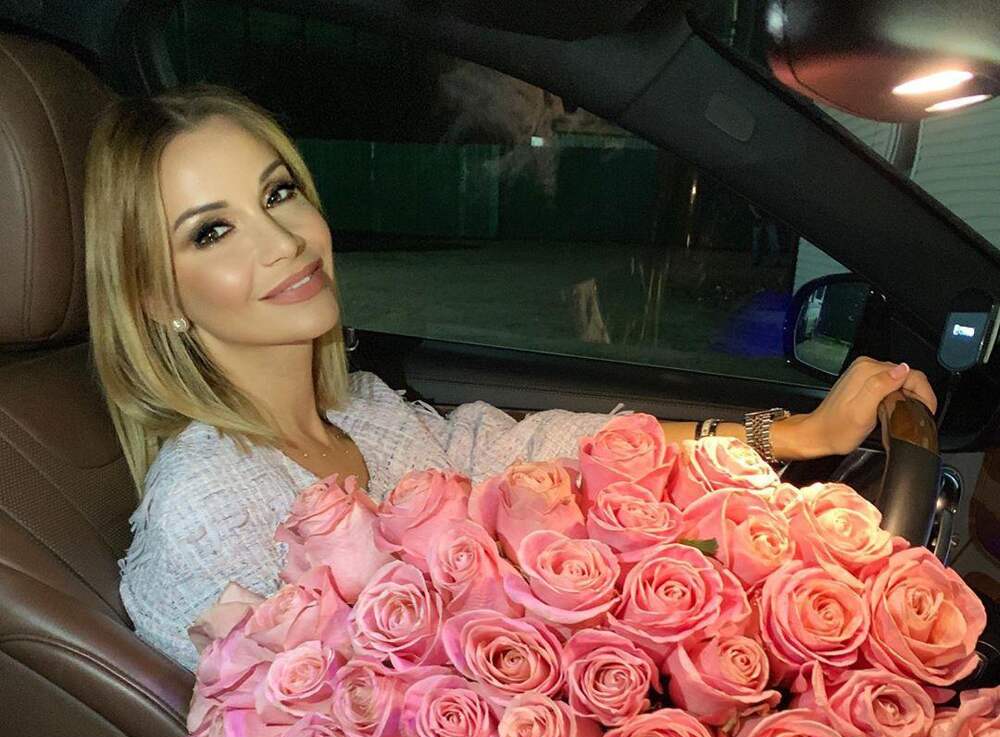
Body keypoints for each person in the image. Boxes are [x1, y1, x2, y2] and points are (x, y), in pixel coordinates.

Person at [84, 85, 938, 673]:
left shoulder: (366, 415)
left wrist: (793, 435)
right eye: (212, 232)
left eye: (277, 194)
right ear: (155, 297)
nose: (283, 242)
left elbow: (537, 449)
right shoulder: (204, 506)